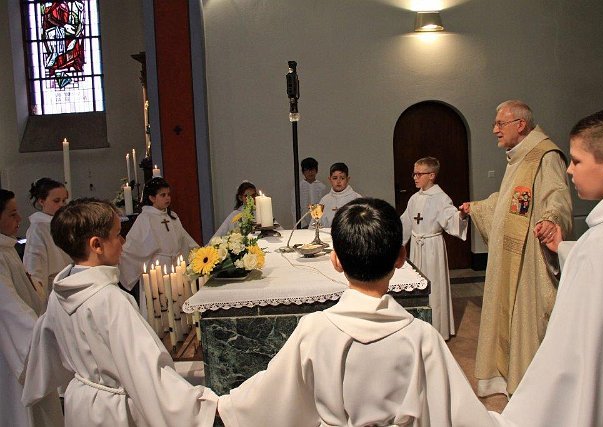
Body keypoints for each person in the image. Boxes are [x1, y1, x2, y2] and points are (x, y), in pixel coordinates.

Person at [217, 198, 496, 427]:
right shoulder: (423, 337)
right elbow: (458, 413)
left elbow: (271, 398)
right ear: (401, 258)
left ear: (335, 260)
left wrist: (217, 406)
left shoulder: (313, 329)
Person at [489, 105, 603, 426]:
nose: (569, 170)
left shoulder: (602, 243)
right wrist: (566, 249)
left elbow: (570, 356)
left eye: (577, 161)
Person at [21, 198, 218, 426]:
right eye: (117, 235)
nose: (123, 241)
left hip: (80, 403)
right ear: (97, 245)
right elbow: (145, 371)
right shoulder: (110, 299)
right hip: (112, 411)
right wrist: (202, 407)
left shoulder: (60, 292)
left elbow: (45, 357)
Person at [460, 100, 572, 396]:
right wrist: (478, 207)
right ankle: (509, 378)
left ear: (520, 124)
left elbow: (557, 196)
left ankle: (532, 388)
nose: (495, 130)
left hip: (528, 257)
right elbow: (511, 201)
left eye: (500, 124)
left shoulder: (545, 155)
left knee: (528, 319)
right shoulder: (518, 157)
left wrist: (551, 219)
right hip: (509, 254)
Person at [0, 189, 64, 427]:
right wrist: (43, 335)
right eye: (12, 214)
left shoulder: (6, 248)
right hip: (12, 348)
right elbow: (9, 308)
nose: (19, 219)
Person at [400, 157, 468, 340]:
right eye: (414, 173)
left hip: (432, 248)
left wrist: (461, 216)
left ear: (431, 175)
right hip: (417, 247)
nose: (415, 177)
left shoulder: (441, 198)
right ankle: (418, 329)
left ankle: (437, 329)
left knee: (434, 287)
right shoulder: (414, 198)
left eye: (419, 174)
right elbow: (405, 223)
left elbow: (451, 218)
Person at [119, 177, 198, 313]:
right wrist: (121, 255)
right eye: (163, 195)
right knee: (159, 304)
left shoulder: (172, 216)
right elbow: (134, 245)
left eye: (168, 194)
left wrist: (198, 252)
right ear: (152, 198)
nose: (167, 198)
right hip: (157, 268)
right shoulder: (145, 218)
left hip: (176, 264)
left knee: (178, 301)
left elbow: (184, 239)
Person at [23, 177, 72, 309]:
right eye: (56, 201)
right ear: (41, 201)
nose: (62, 204)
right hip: (53, 293)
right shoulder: (38, 229)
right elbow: (34, 267)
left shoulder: (65, 224)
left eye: (64, 200)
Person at [314, 162, 361, 228]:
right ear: (330, 179)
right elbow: (315, 225)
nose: (338, 181)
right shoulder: (324, 200)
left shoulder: (357, 199)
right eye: (335, 178)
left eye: (342, 178)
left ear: (347, 179)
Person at [291, 157, 327, 228]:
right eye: (307, 170)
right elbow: (294, 208)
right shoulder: (298, 187)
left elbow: (324, 206)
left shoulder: (322, 187)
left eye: (312, 170)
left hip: (318, 223)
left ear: (316, 171)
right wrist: (303, 224)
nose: (310, 173)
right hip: (302, 224)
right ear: (303, 172)